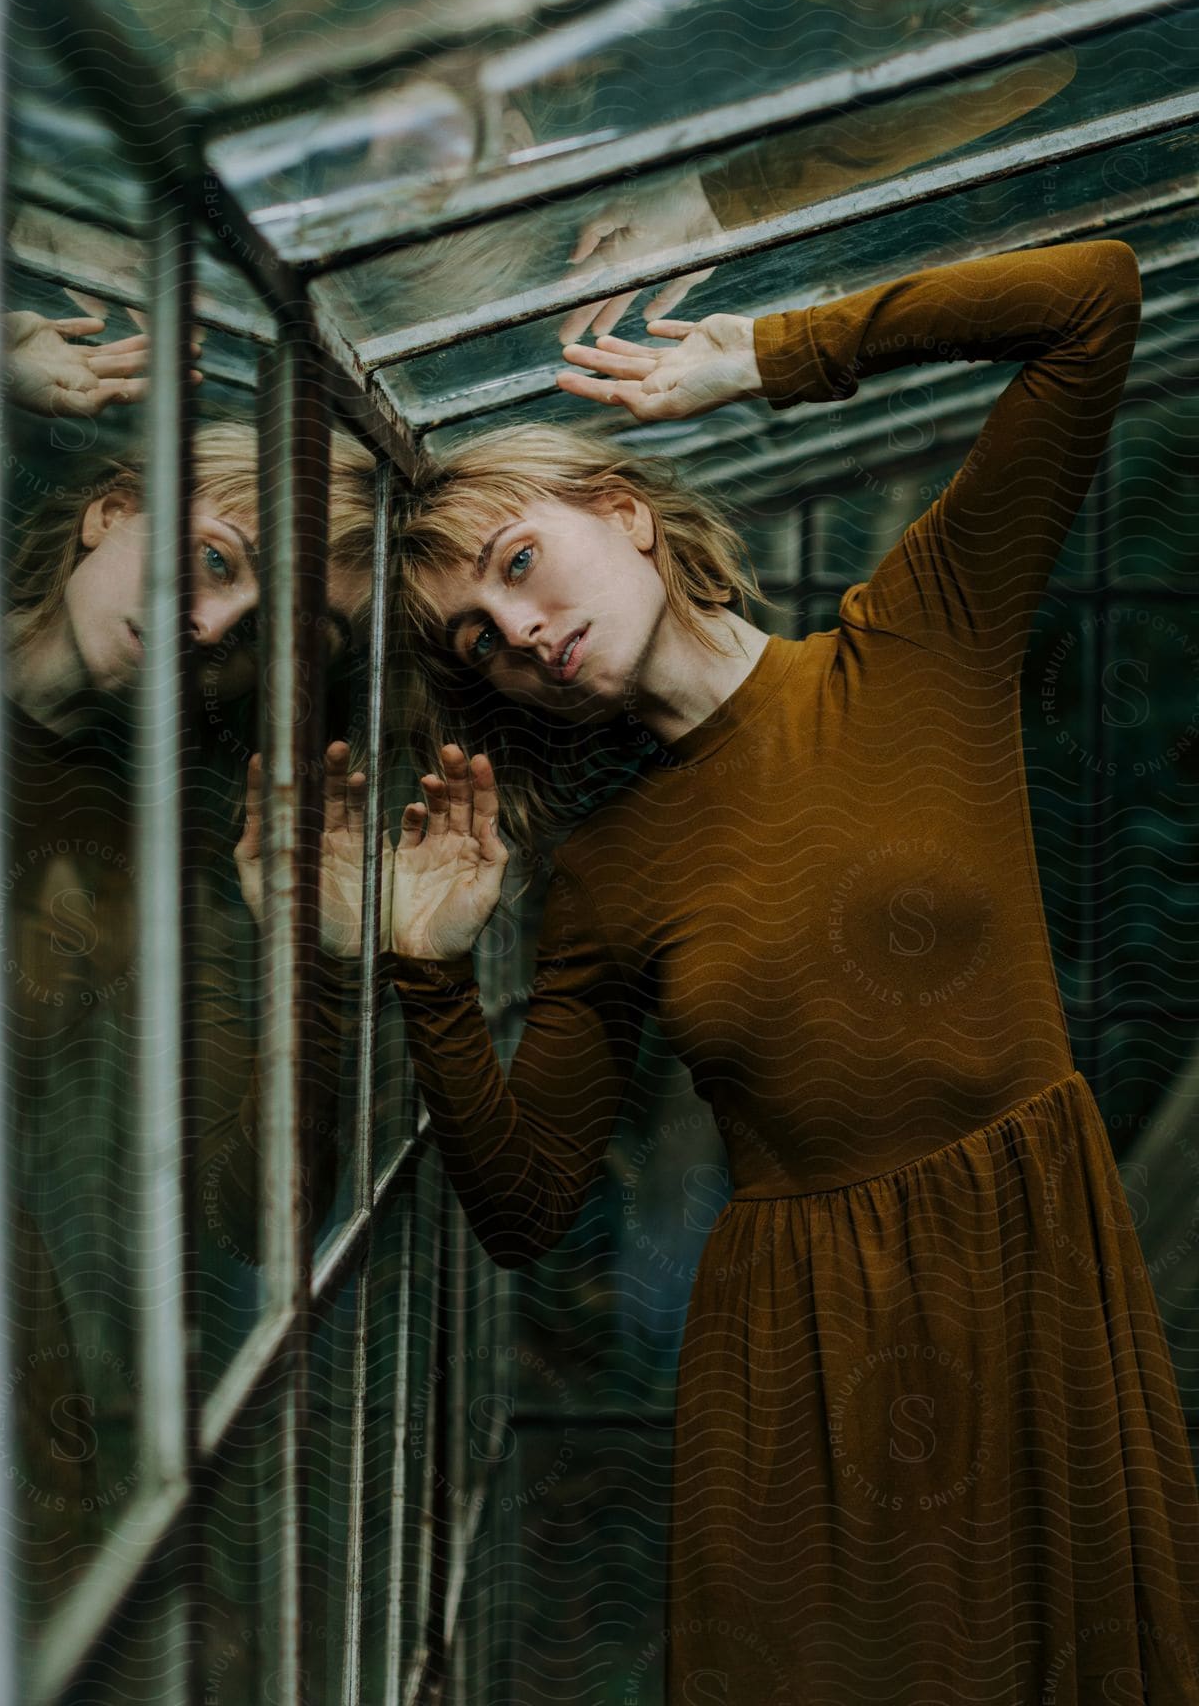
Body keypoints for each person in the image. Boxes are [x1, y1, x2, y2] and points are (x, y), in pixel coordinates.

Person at [370, 237, 1199, 1702]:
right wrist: (427, 979)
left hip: (1034, 1269)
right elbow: (526, 1207)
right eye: (480, 641)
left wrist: (767, 357)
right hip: (802, 1355)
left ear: (623, 513)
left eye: (520, 564)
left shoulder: (916, 645)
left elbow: (1095, 301)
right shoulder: (610, 876)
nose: (522, 633)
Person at [2, 316, 376, 1626]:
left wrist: (300, 940)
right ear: (114, 512)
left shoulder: (146, 828)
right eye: (214, 559)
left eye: (263, 624)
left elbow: (255, 1209)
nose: (210, 622)